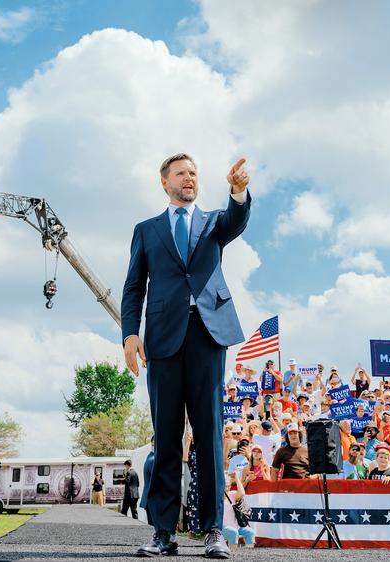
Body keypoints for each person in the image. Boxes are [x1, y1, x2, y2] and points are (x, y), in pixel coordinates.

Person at [122, 153, 251, 560]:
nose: (189, 178)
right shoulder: (146, 230)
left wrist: (238, 190)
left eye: (194, 172)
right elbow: (133, 287)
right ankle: (163, 531)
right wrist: (129, 334)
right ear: (165, 182)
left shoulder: (214, 221)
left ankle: (214, 530)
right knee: (166, 436)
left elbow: (237, 220)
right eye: (181, 173)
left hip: (208, 335)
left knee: (210, 434)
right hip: (161, 340)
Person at [221, 471, 255, 549]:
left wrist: (236, 477)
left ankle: (249, 555)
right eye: (225, 486)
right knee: (233, 532)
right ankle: (233, 555)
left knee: (250, 532)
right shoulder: (216, 497)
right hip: (221, 527)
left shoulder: (232, 494)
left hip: (236, 526)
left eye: (228, 486)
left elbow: (242, 493)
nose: (227, 488)